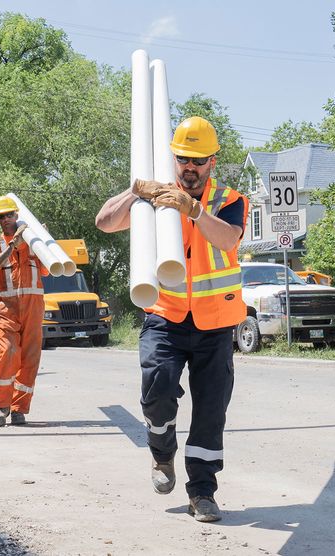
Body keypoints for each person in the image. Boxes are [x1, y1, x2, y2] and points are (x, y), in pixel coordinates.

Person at [95, 116, 248, 522]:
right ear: (173, 158)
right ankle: (161, 454)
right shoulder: (157, 195)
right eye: (183, 158)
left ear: (213, 161)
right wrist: (134, 192)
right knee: (157, 388)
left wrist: (193, 209)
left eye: (198, 160)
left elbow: (228, 239)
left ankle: (202, 492)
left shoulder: (229, 199)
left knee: (211, 410)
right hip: (166, 316)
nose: (189, 167)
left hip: (215, 323)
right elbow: (104, 222)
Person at [0, 195, 48, 426]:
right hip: (6, 309)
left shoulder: (32, 242)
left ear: (17, 216)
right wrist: (14, 244)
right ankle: (2, 406)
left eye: (10, 215)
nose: (6, 219)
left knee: (30, 357)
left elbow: (46, 271)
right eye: (2, 216)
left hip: (33, 307)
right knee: (9, 351)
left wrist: (41, 241)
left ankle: (19, 407)